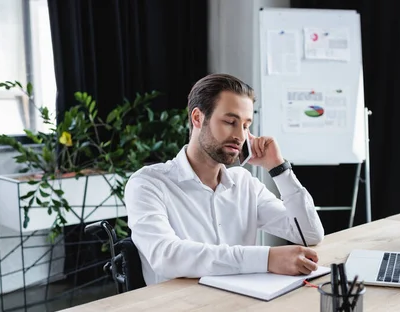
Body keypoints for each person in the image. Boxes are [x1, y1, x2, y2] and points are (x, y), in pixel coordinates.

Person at [125, 73, 325, 285]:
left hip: (241, 302)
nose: (240, 135)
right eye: (230, 121)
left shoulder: (245, 184)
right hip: (179, 310)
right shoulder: (148, 184)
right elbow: (165, 256)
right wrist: (266, 259)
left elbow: (309, 234)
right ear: (197, 118)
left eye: (246, 126)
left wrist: (279, 169)